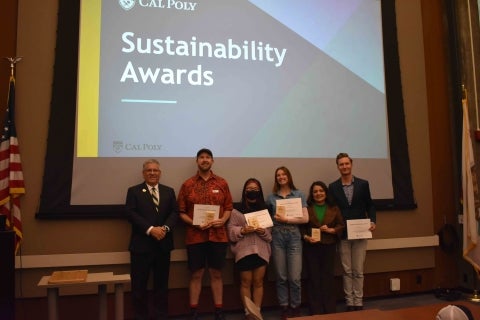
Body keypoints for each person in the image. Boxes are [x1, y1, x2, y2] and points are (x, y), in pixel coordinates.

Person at [177, 148, 233, 320]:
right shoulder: (187, 185)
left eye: (208, 157)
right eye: (201, 157)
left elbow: (229, 208)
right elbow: (181, 212)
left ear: (212, 161)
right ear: (197, 161)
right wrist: (193, 222)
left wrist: (223, 220)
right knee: (196, 274)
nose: (205, 160)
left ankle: (218, 311)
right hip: (195, 236)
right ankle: (193, 312)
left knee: (216, 274)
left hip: (218, 236)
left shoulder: (222, 183)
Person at [125, 159, 179, 320]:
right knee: (139, 287)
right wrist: (150, 230)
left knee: (161, 286)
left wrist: (165, 228)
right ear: (143, 173)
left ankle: (161, 316)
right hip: (141, 247)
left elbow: (174, 213)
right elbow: (130, 213)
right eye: (149, 170)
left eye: (155, 170)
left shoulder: (169, 191)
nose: (152, 173)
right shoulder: (134, 191)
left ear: (160, 173)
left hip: (163, 245)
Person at [328, 152, 376, 311]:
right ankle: (349, 302)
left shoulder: (363, 184)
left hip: (361, 232)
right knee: (347, 270)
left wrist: (373, 221)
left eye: (346, 163)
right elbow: (332, 211)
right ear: (338, 167)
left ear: (351, 164)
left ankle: (358, 301)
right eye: (341, 164)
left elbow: (370, 205)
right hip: (343, 234)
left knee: (358, 270)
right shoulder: (333, 187)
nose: (344, 166)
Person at [266, 166, 308, 319]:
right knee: (281, 276)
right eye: (278, 175)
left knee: (295, 277)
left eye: (284, 174)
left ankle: (295, 307)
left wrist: (287, 219)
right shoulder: (271, 198)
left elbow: (305, 219)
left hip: (294, 236)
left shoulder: (298, 194)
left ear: (289, 176)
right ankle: (284, 307)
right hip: (277, 237)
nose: (281, 177)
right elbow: (269, 220)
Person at [227, 178, 272, 320]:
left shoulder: (265, 210)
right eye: (249, 189)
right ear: (244, 191)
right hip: (243, 251)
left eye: (255, 189)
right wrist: (242, 230)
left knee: (258, 282)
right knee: (245, 282)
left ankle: (256, 312)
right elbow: (231, 231)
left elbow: (269, 236)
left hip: (261, 251)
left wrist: (262, 231)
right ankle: (248, 313)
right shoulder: (236, 210)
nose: (252, 191)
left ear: (259, 191)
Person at [301, 181, 344, 315]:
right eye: (315, 191)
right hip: (311, 247)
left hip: (329, 245)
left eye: (321, 191)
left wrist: (332, 230)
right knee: (314, 278)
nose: (318, 193)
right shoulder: (306, 208)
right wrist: (306, 237)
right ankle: (315, 310)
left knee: (327, 278)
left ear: (326, 193)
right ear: (312, 194)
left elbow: (341, 225)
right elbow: (301, 228)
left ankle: (329, 309)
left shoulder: (334, 208)